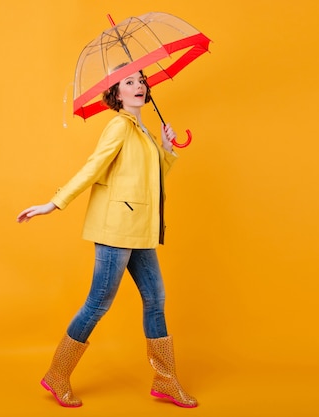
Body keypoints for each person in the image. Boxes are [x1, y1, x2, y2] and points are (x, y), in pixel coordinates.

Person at [16, 69, 197, 408]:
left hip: (140, 228)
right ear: (116, 92)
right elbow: (94, 166)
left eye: (141, 79)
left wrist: (166, 149)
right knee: (98, 303)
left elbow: (150, 179)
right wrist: (54, 203)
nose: (138, 85)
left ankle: (166, 381)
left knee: (155, 298)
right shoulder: (118, 125)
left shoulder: (140, 129)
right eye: (128, 82)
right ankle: (57, 374)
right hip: (117, 227)